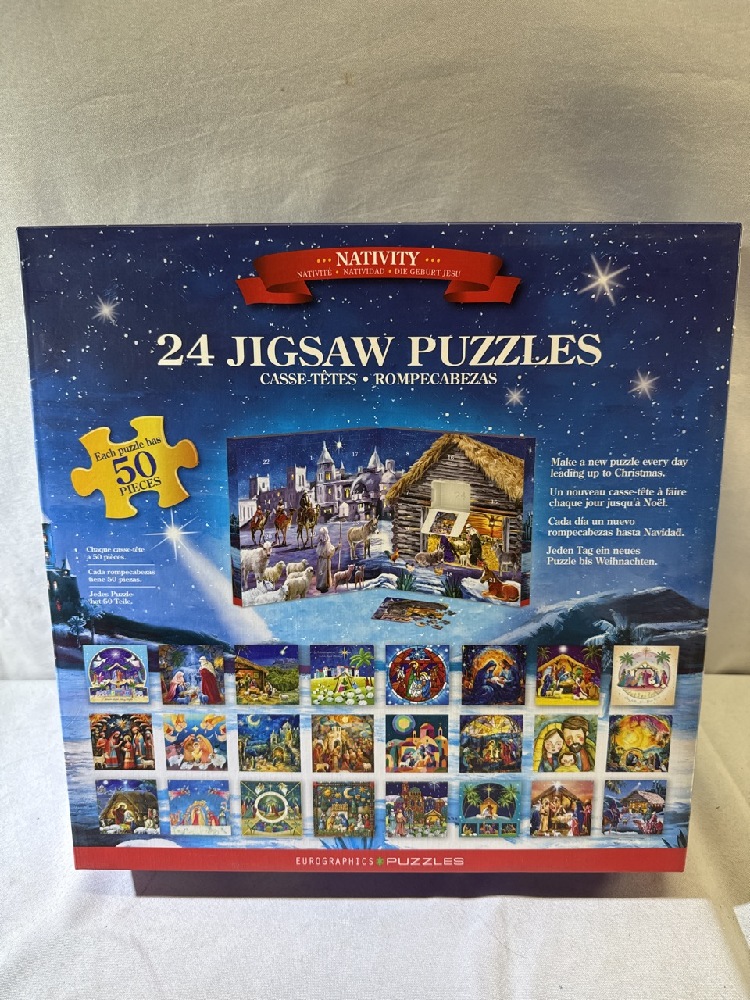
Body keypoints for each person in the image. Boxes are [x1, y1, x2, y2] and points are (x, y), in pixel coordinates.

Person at [315, 526, 336, 593]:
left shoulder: (320, 544)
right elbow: (329, 552)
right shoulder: (326, 544)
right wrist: (336, 548)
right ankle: (324, 586)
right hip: (325, 561)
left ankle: (321, 585)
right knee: (324, 573)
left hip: (321, 560)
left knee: (321, 573)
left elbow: (319, 552)